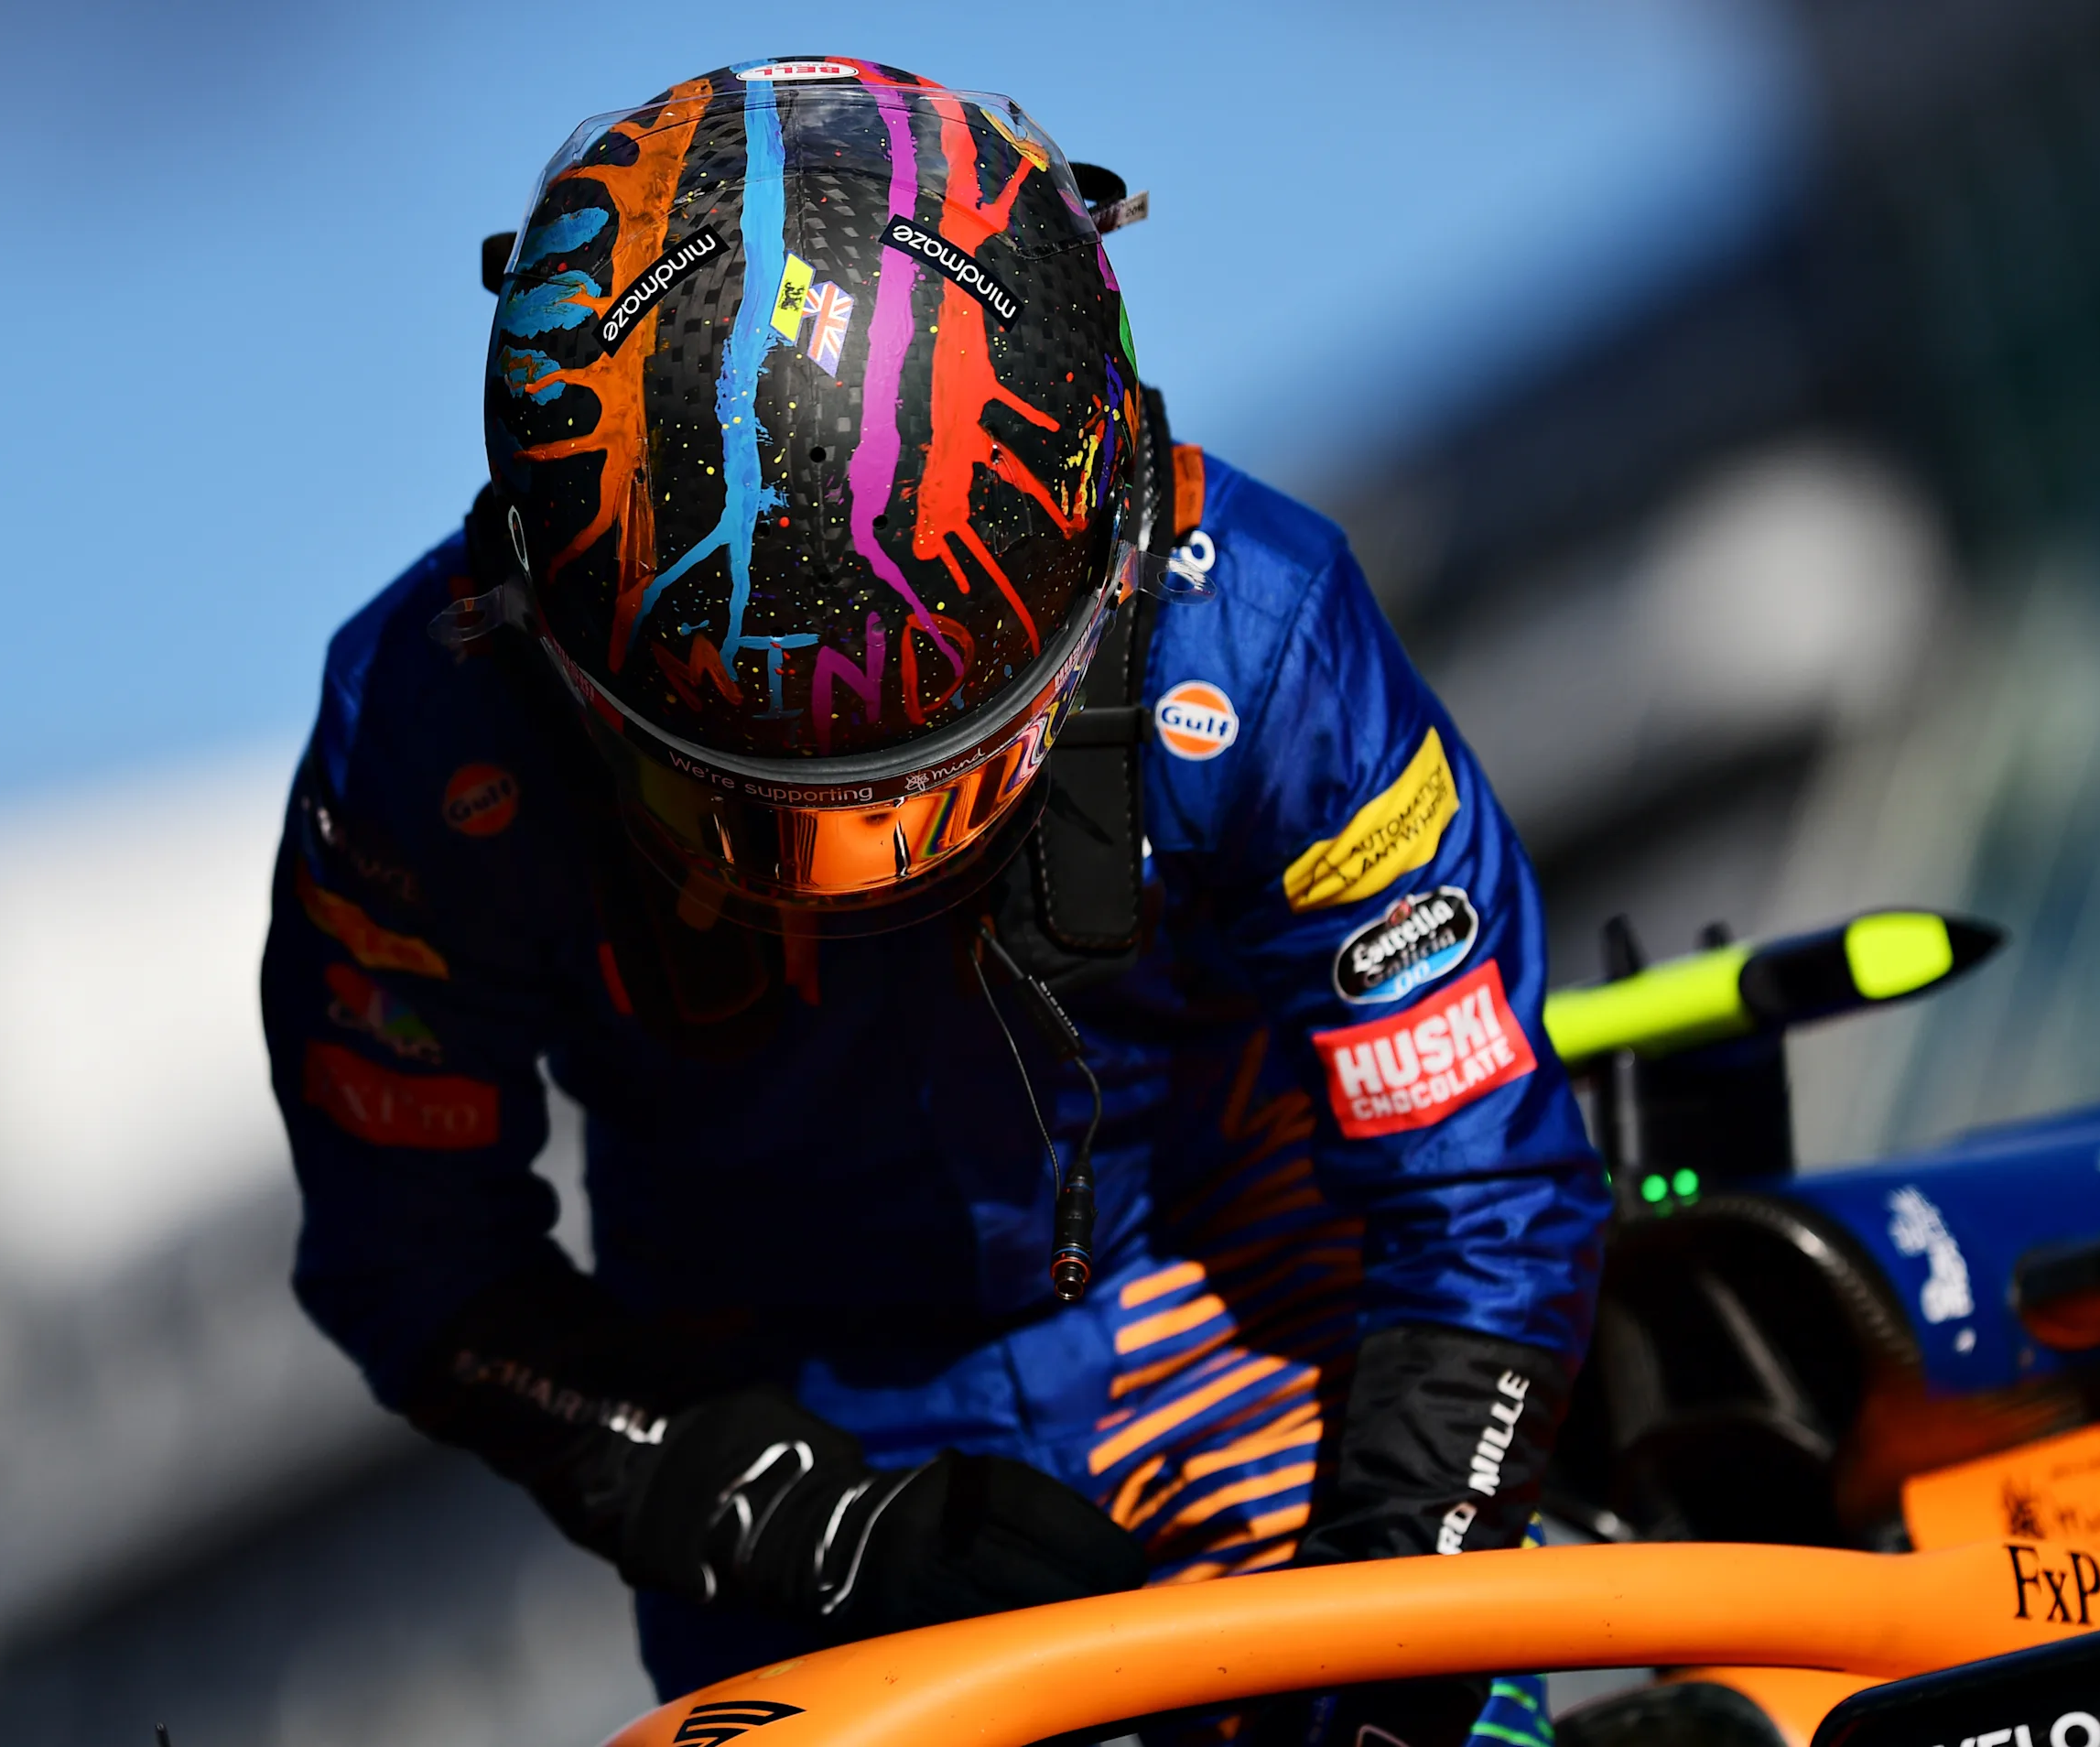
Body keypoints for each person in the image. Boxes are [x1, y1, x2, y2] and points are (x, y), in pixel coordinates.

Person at [260, 56, 1607, 1747]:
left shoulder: (1255, 633)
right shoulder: (422, 748)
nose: (855, 879)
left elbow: (1477, 1179)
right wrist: (793, 1517)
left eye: (927, 781)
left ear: (1099, 554)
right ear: (556, 642)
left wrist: (1411, 1610)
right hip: (774, 1404)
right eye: (755, 806)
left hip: (1228, 1289)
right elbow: (415, 1260)